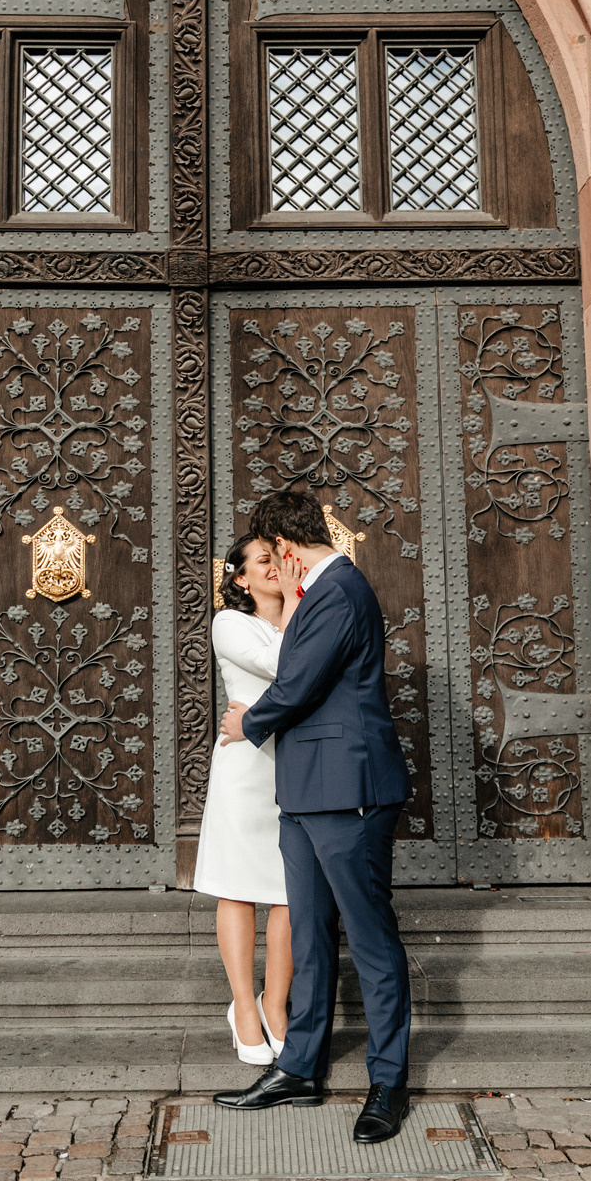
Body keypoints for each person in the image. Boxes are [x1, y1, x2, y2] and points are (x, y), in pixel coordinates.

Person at [213, 487, 413, 1145]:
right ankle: (299, 1066)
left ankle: (386, 1081)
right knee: (309, 934)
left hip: (347, 788)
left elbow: (300, 682)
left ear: (286, 548)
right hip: (302, 791)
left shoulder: (339, 590)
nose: (275, 568)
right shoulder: (315, 590)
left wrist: (249, 723)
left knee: (370, 939)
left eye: (273, 555)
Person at [193, 533, 302, 1063]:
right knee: (236, 888)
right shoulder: (230, 623)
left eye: (279, 557)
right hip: (245, 770)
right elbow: (284, 668)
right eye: (263, 561)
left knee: (289, 892)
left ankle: (274, 1003)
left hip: (296, 767)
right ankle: (242, 1006)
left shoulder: (302, 616)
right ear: (240, 578)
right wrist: (297, 609)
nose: (276, 566)